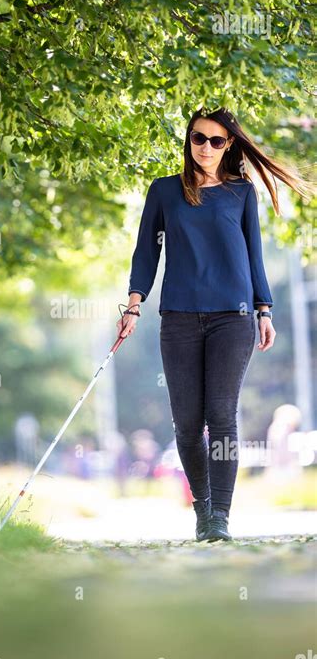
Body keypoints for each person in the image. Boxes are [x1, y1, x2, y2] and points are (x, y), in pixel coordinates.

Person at [117, 106, 313, 542]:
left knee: (221, 415)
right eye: (198, 138)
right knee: (187, 424)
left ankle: (220, 516)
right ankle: (201, 507)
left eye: (216, 140)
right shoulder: (165, 192)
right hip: (179, 317)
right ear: (188, 142)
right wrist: (133, 305)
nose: (205, 147)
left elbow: (253, 255)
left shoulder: (242, 193)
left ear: (229, 146)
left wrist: (265, 309)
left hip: (234, 316)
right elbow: (146, 253)